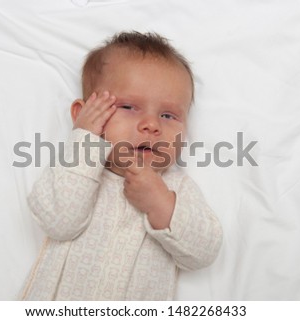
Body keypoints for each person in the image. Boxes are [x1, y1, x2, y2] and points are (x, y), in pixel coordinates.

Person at [20, 31, 222, 300]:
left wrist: (159, 203)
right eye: (128, 107)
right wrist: (85, 139)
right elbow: (60, 222)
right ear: (85, 115)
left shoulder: (176, 189)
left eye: (168, 115)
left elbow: (203, 252)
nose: (152, 125)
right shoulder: (74, 171)